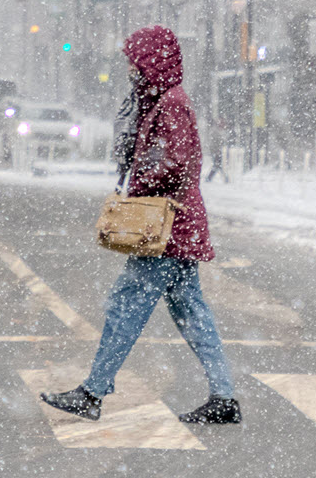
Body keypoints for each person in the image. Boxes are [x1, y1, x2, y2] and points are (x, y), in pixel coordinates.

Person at [41, 25, 240, 425]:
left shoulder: (170, 104)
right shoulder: (159, 101)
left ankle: (92, 392)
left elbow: (176, 162)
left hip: (165, 225)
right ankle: (224, 397)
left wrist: (140, 186)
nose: (130, 68)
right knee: (190, 310)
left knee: (125, 305)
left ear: (151, 62)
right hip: (176, 222)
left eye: (135, 61)